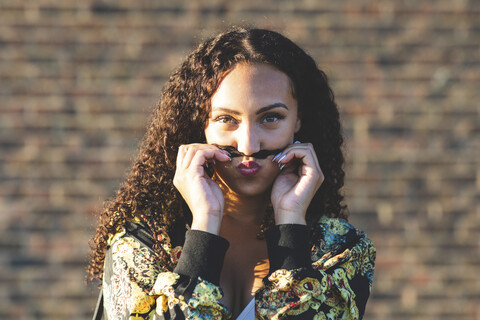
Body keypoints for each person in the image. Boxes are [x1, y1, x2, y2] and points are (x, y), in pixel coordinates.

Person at [88, 27, 376, 320]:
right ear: (200, 124)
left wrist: (291, 222)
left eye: (271, 118)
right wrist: (204, 225)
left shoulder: (342, 252)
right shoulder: (140, 246)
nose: (249, 145)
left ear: (298, 120)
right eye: (227, 119)